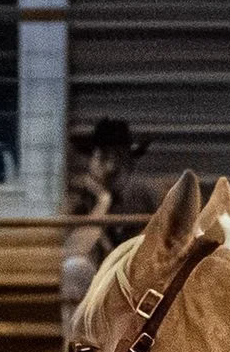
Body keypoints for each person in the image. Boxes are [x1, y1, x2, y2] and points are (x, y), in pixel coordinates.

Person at [60, 119, 161, 324]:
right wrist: (103, 202)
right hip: (94, 281)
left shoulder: (144, 195)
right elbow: (74, 249)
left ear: (130, 162)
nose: (112, 167)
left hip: (134, 278)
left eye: (119, 158)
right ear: (92, 161)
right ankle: (78, 350)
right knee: (75, 267)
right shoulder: (79, 195)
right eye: (104, 157)